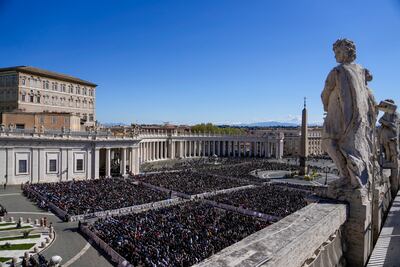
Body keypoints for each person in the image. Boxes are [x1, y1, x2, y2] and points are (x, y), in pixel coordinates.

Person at [321, 38, 377, 189]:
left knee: (328, 141)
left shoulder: (338, 71)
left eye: (337, 52)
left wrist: (326, 105)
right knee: (352, 147)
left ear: (346, 52)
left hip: (340, 115)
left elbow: (325, 92)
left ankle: (345, 176)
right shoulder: (360, 71)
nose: (335, 56)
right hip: (358, 119)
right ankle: (354, 177)